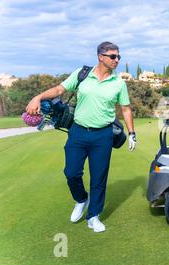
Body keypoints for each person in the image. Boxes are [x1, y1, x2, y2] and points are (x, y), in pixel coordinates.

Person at [26, 41, 136, 233]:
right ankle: (81, 199)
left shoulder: (118, 83)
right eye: (113, 56)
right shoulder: (82, 74)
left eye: (119, 57)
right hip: (77, 132)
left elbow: (125, 109)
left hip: (103, 135)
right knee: (71, 172)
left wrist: (132, 133)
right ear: (101, 57)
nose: (117, 60)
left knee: (99, 178)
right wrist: (38, 97)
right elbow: (59, 90)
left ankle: (93, 216)